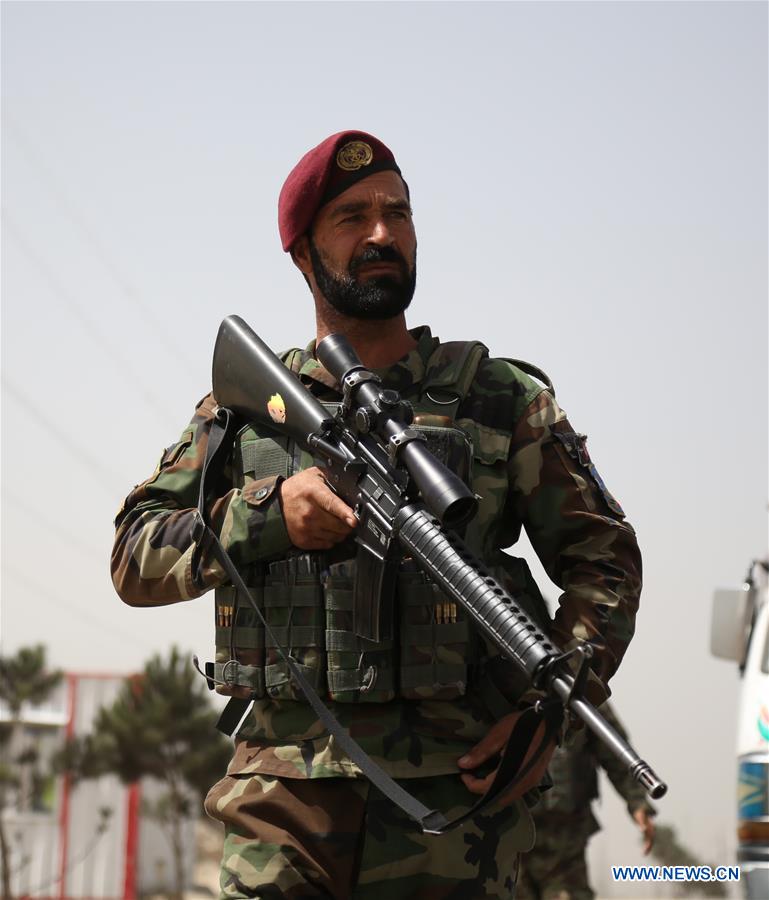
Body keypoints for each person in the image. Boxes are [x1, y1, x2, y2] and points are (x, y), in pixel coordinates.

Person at [111, 130, 643, 899]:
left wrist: (549, 710)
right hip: (280, 807)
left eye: (398, 212)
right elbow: (133, 556)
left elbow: (607, 564)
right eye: (351, 216)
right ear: (300, 252)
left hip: (456, 809)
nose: (381, 234)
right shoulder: (244, 413)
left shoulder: (500, 398)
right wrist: (265, 515)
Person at [517, 702, 656, 900]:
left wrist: (637, 803)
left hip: (566, 841)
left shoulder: (579, 686)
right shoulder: (498, 678)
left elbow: (615, 752)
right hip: (508, 833)